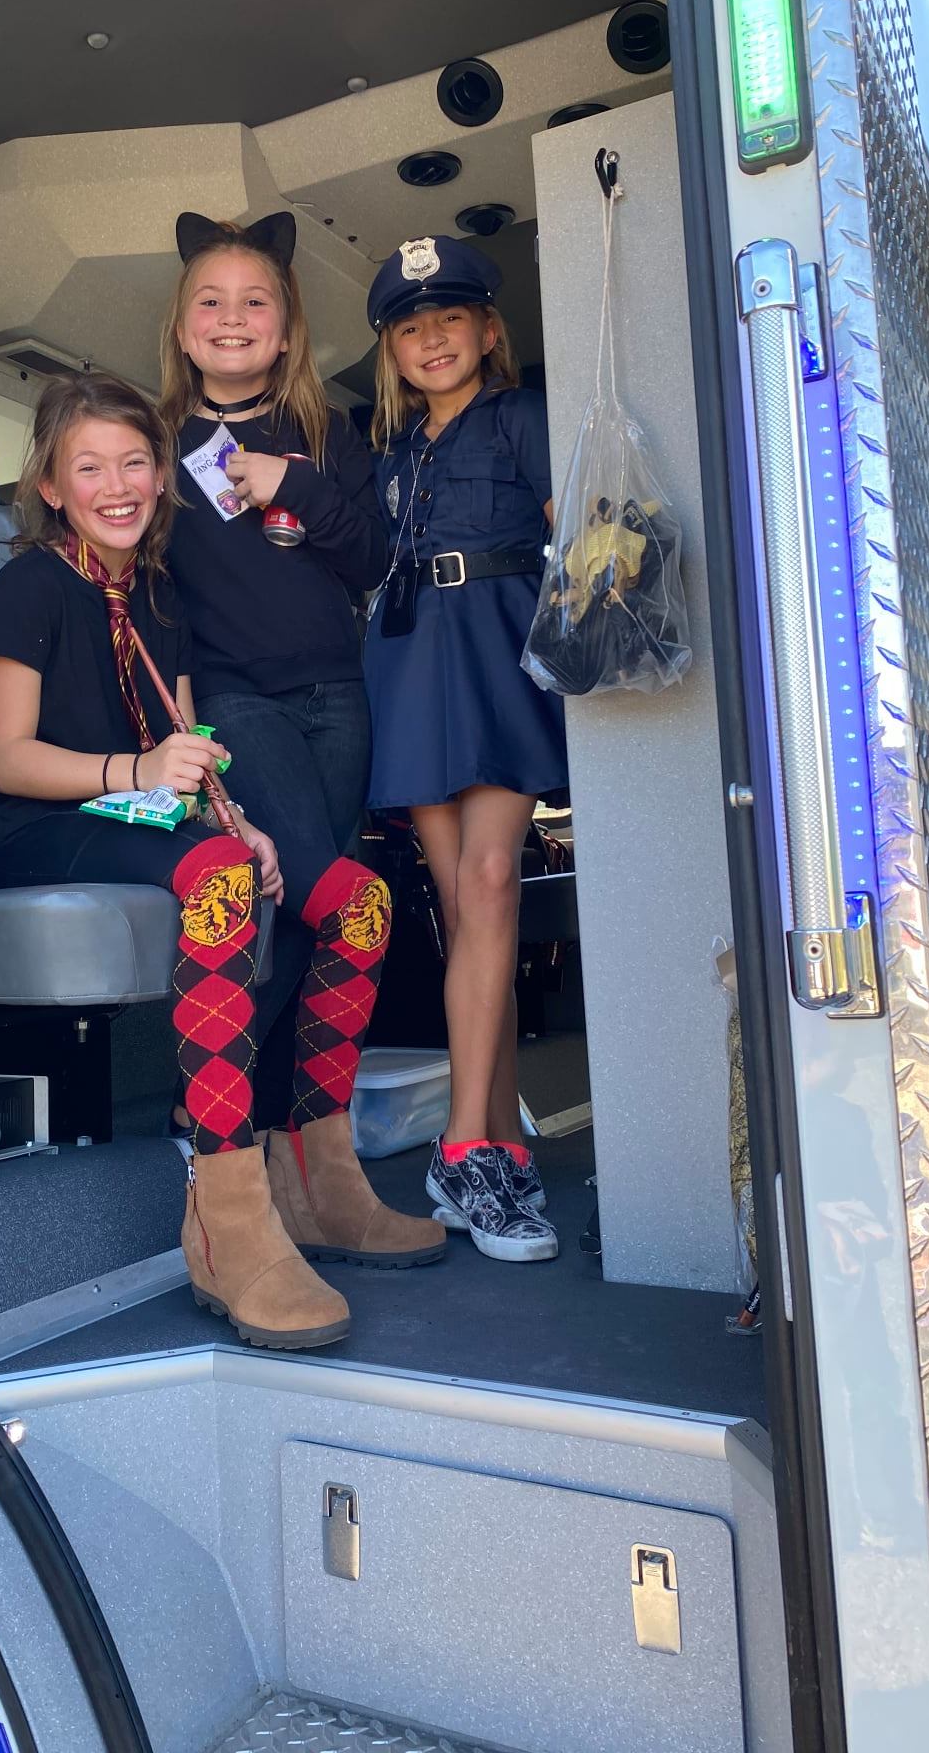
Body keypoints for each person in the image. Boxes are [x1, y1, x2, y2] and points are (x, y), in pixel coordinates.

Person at [0, 372, 442, 1352]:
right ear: (50, 486)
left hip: (150, 819)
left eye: (136, 462)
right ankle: (226, 1220)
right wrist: (141, 775)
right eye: (89, 468)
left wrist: (238, 818)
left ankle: (319, 1178)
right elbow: (4, 759)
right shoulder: (31, 585)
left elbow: (189, 742)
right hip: (43, 828)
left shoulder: (160, 594)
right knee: (220, 880)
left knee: (356, 899)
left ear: (163, 475)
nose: (117, 486)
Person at [158, 212, 424, 1267]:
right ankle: (221, 1162)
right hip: (234, 704)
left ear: (286, 325)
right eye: (211, 301)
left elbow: (375, 560)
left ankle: (307, 1177)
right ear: (181, 325)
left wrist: (292, 485)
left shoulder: (327, 432)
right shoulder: (160, 443)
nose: (232, 318)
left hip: (336, 698)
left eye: (255, 301)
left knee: (320, 928)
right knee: (321, 900)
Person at [363, 236, 568, 1264]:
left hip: (498, 648)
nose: (432, 338)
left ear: (490, 330)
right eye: (411, 326)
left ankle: (462, 1154)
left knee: (489, 885)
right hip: (408, 659)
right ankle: (503, 1148)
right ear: (391, 351)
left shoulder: (525, 417)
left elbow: (577, 535)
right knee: (460, 912)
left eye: (451, 318)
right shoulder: (391, 454)